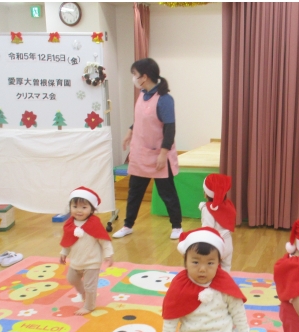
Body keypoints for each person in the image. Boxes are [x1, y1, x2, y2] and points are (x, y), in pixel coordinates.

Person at [113, 57, 183, 240]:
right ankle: (128, 225)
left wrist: (163, 153)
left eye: (134, 74)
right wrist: (130, 131)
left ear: (144, 77)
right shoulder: (142, 95)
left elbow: (170, 128)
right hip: (140, 154)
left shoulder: (164, 99)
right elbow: (140, 119)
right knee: (134, 192)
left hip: (159, 154)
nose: (133, 78)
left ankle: (177, 226)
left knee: (167, 193)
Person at [60, 186, 114, 315]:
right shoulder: (69, 224)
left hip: (92, 262)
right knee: (71, 279)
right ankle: (83, 292)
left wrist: (108, 254)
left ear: (92, 209)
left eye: (84, 207)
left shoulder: (94, 223)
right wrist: (63, 253)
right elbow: (67, 240)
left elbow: (104, 240)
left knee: (90, 286)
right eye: (75, 207)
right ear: (70, 207)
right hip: (76, 261)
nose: (79, 210)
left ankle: (89, 306)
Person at [199, 174, 236, 272]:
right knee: (226, 268)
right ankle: (226, 281)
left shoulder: (207, 209)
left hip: (216, 245)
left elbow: (207, 230)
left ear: (206, 193)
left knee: (211, 269)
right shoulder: (228, 205)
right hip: (228, 243)